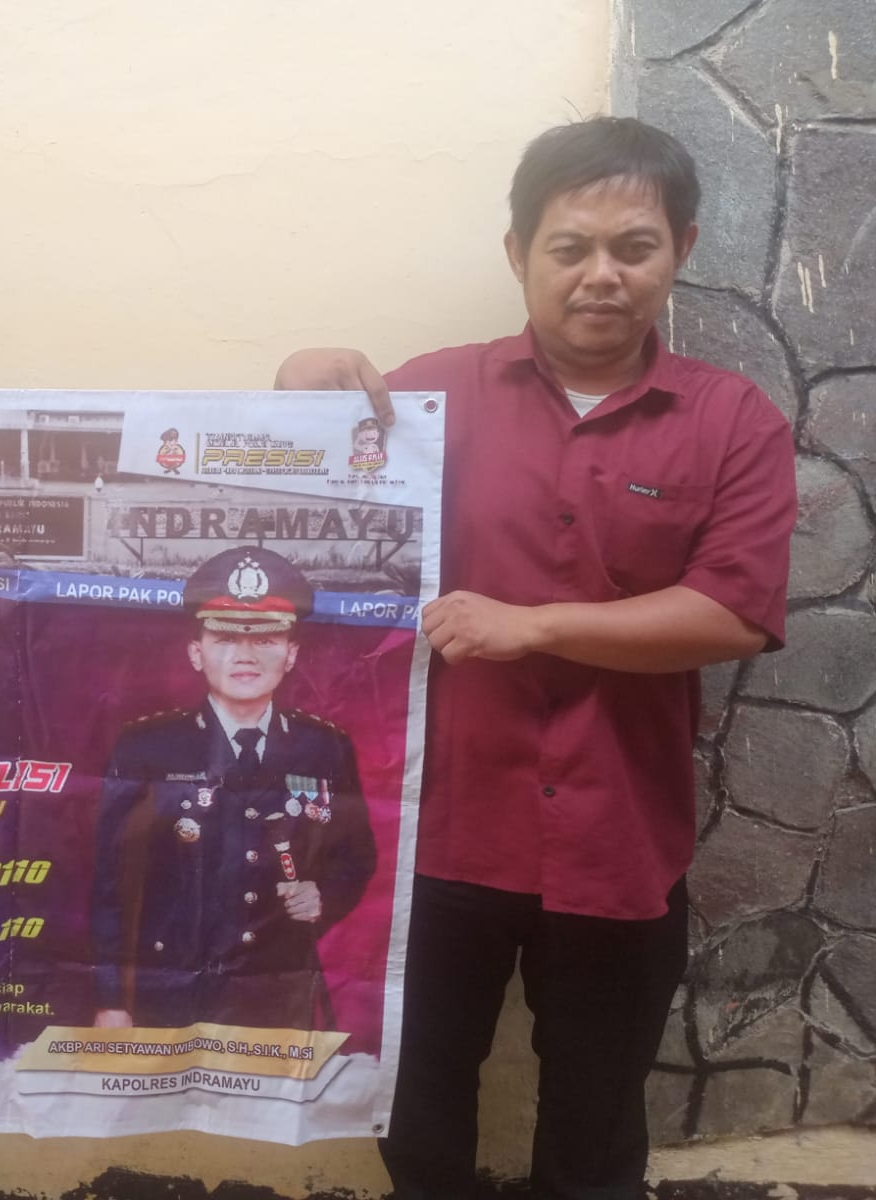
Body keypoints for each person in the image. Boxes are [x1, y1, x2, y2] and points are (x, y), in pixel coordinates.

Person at [275, 117, 796, 1199]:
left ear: (681, 250)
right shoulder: (423, 400)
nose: (602, 275)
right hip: (435, 834)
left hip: (617, 838)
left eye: (634, 247)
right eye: (571, 247)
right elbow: (307, 529)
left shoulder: (731, 419)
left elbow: (731, 614)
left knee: (595, 1130)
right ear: (519, 253)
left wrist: (536, 624)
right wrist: (292, 399)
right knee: (416, 1114)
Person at [90, 546, 377, 1031]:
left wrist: (323, 894)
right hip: (169, 987)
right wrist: (111, 998)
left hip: (275, 990)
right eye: (225, 638)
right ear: (196, 653)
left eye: (265, 639)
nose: (245, 655)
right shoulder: (146, 746)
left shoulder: (324, 747)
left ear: (291, 654)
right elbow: (111, 882)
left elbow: (357, 856)